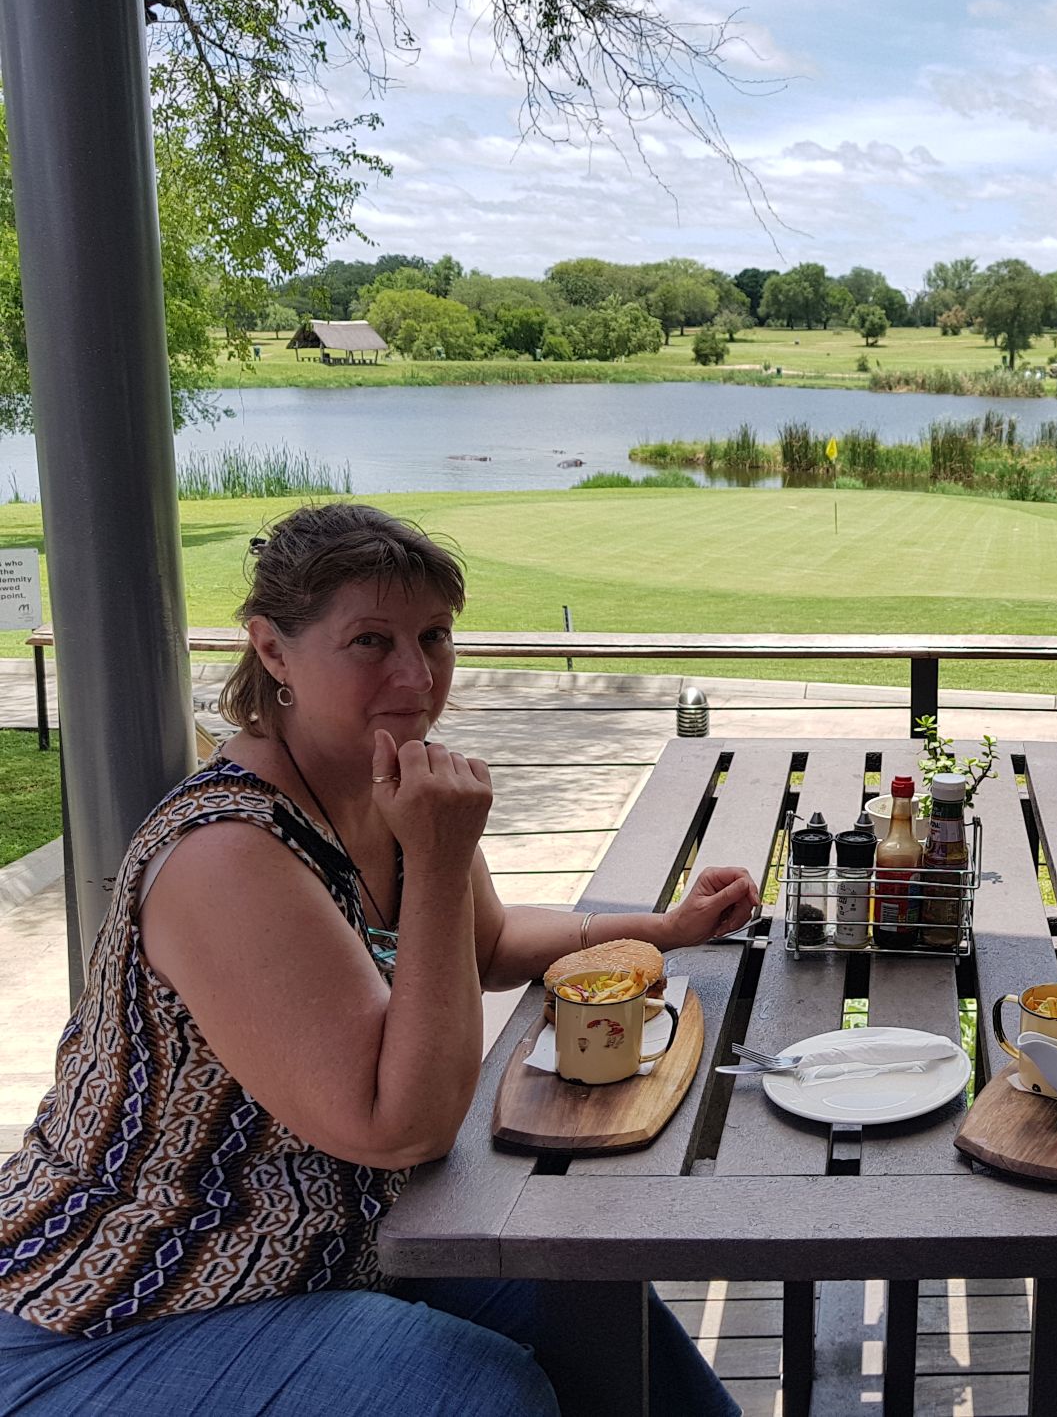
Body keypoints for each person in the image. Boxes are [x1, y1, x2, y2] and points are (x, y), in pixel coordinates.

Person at [0, 504, 753, 1416]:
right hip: (122, 1300)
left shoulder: (385, 781)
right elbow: (403, 1128)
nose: (415, 673)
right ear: (271, 651)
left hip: (342, 1246)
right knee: (480, 1394)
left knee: (597, 1304)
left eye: (434, 636)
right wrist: (437, 858)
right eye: (369, 640)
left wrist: (661, 929)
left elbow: (486, 945)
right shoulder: (226, 852)